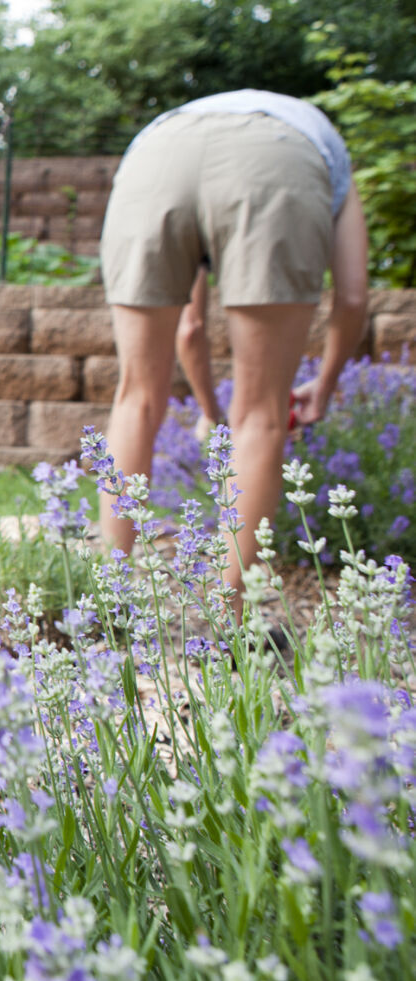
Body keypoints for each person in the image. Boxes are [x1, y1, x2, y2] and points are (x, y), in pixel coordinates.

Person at [99, 89, 369, 608]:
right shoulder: (320, 138)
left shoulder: (185, 121)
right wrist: (326, 384)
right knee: (262, 415)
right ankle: (229, 619)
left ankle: (108, 607)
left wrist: (207, 410)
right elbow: (354, 295)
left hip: (154, 153)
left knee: (136, 397)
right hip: (278, 164)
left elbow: (191, 327)